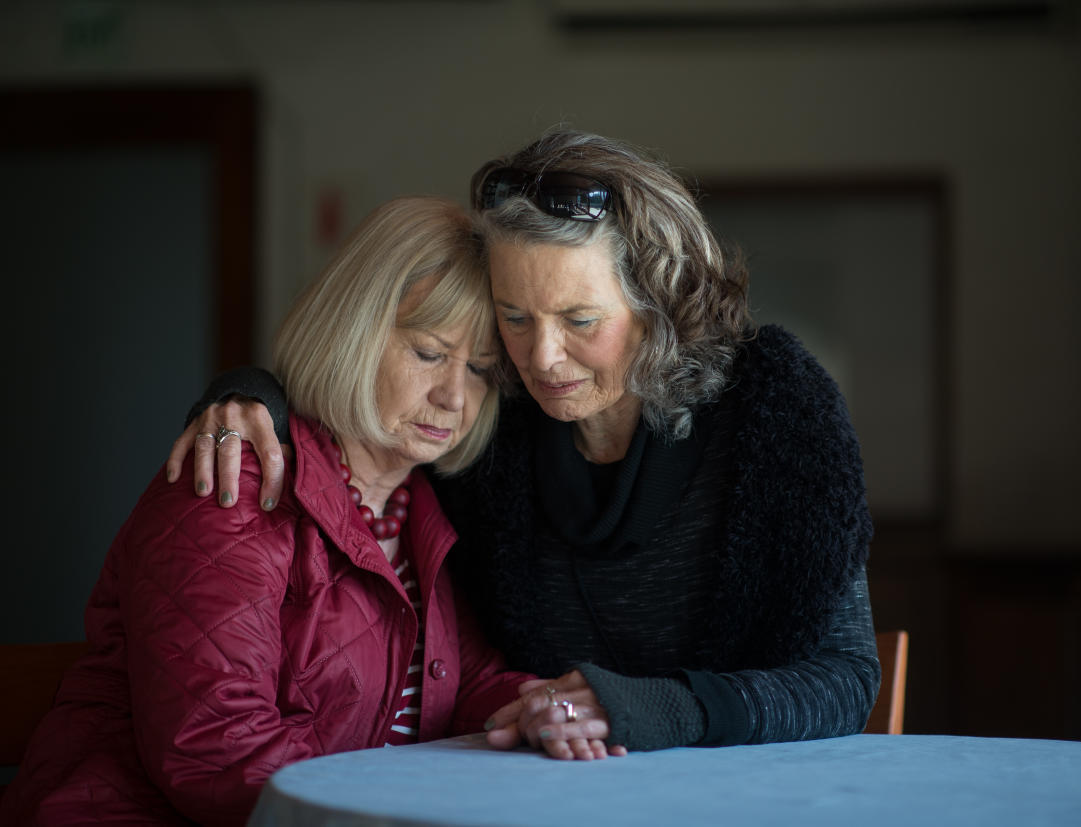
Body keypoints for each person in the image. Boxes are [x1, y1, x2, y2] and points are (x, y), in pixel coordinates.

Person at [169, 129, 880, 762]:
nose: (542, 357)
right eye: (514, 316)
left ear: (657, 302)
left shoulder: (776, 408)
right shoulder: (491, 414)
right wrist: (250, 391)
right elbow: (366, 385)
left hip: (744, 797)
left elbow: (846, 679)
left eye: (579, 319)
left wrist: (657, 707)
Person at [1, 197, 542, 827]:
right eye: (428, 352)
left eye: (480, 369)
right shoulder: (236, 480)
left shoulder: (417, 508)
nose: (455, 395)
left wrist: (541, 709)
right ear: (352, 333)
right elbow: (218, 743)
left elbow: (466, 688)